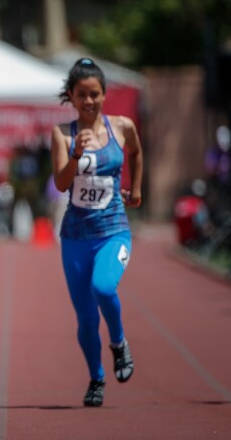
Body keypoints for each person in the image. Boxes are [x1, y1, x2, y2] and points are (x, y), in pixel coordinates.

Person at [50, 57, 143, 407]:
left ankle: (118, 342)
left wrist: (136, 190)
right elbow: (61, 184)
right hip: (75, 237)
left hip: (113, 231)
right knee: (86, 318)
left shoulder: (123, 127)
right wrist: (75, 154)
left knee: (104, 286)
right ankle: (96, 378)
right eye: (81, 95)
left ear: (104, 95)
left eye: (95, 94)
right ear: (71, 97)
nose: (88, 101)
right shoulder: (62, 133)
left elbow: (135, 152)